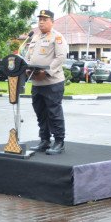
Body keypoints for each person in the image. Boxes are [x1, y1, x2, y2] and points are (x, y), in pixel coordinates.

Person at [25, 9, 69, 155]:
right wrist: (27, 69)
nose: (41, 22)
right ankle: (44, 140)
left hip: (52, 83)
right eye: (40, 20)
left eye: (45, 20)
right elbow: (28, 57)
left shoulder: (57, 37)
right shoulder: (35, 37)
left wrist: (47, 71)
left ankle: (59, 142)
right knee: (40, 113)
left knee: (54, 113)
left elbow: (61, 57)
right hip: (37, 83)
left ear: (52, 22)